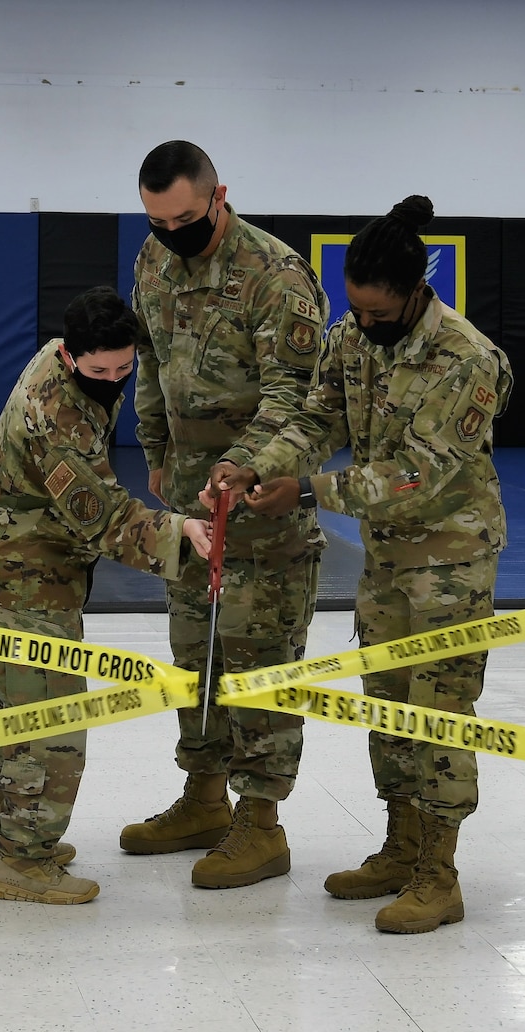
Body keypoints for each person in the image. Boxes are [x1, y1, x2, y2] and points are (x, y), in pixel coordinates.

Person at [211, 195, 512, 934]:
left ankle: (439, 874)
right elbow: (316, 419)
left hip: (449, 561)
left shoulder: (466, 360)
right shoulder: (351, 337)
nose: (366, 325)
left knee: (440, 714)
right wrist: (254, 466)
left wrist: (310, 490)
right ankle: (400, 846)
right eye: (358, 310)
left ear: (417, 292)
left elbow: (422, 472)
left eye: (380, 313)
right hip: (386, 560)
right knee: (387, 706)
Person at [119, 140, 328, 890]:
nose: (169, 232)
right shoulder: (152, 263)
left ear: (218, 196)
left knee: (258, 664)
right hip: (189, 504)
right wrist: (154, 448)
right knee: (195, 657)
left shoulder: (274, 276)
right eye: (154, 220)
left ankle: (261, 824)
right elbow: (148, 364)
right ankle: (204, 798)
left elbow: (294, 397)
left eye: (182, 217)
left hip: (261, 505)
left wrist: (243, 468)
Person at [0, 287, 214, 905]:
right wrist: (185, 534)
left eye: (123, 368)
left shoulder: (68, 356)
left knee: (13, 698)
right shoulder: (58, 417)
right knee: (51, 712)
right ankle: (25, 860)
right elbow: (102, 519)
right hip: (20, 563)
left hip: (21, 549)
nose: (113, 379)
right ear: (71, 358)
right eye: (98, 370)